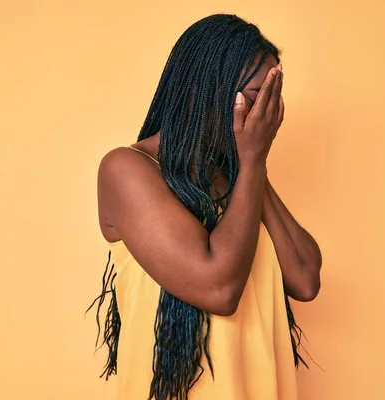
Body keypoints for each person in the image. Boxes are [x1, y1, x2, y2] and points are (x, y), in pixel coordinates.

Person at [88, 13, 322, 400]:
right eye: (256, 94)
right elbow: (219, 290)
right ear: (208, 90)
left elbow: (306, 278)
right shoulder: (127, 170)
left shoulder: (238, 174)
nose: (267, 110)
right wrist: (251, 160)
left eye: (273, 96)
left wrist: (251, 162)